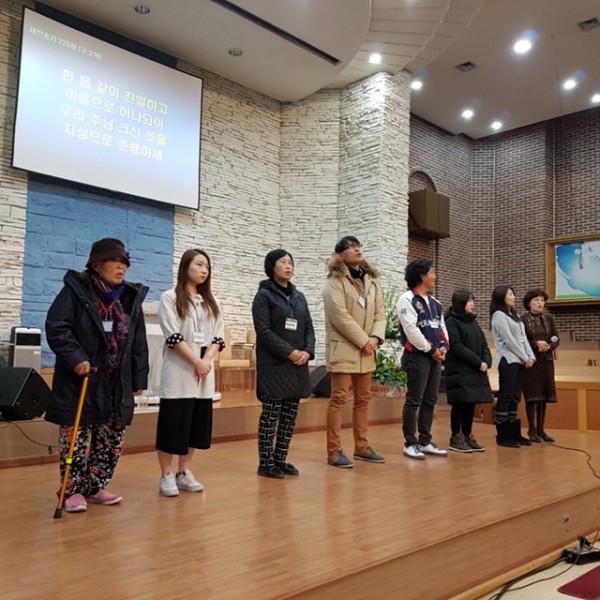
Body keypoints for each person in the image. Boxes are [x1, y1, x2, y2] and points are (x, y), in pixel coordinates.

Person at [45, 238, 149, 513]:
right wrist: (76, 358)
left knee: (111, 439)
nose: (121, 267)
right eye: (115, 261)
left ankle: (95, 486)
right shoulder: (75, 291)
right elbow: (57, 327)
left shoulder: (129, 298)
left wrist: (139, 377)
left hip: (116, 382)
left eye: (124, 262)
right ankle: (71, 491)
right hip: (82, 379)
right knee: (76, 440)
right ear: (96, 264)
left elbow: (138, 342)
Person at [156, 249, 225, 497]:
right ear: (185, 267)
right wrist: (196, 361)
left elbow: (218, 337)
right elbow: (173, 336)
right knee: (172, 423)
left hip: (203, 373)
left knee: (196, 424)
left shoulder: (210, 302)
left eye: (207, 266)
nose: (204, 270)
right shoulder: (169, 297)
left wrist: (205, 361)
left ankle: (183, 471)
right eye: (199, 265)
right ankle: (166, 474)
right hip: (179, 371)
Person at [322, 236, 386, 468]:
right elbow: (340, 317)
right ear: (341, 255)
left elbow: (380, 313)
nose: (357, 249)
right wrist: (364, 341)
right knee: (339, 398)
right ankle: (334, 450)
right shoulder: (334, 281)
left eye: (358, 245)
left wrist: (375, 338)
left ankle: (361, 446)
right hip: (344, 348)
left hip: (366, 350)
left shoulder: (371, 280)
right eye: (351, 247)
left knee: (363, 400)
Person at [252, 249, 315, 478]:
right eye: (283, 262)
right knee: (270, 416)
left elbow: (309, 327)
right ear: (272, 267)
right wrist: (289, 352)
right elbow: (263, 330)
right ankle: (265, 463)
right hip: (274, 365)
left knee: (289, 416)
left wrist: (307, 351)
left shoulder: (299, 297)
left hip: (297, 366)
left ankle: (280, 459)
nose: (288, 266)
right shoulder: (263, 296)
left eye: (290, 262)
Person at [396, 259, 449, 460]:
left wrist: (443, 347)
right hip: (416, 356)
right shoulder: (406, 299)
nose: (435, 276)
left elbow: (442, 328)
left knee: (430, 399)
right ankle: (410, 443)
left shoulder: (435, 303)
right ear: (421, 276)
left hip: (435, 357)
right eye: (432, 272)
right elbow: (411, 330)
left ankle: (425, 441)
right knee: (414, 400)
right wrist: (431, 349)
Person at [444, 289, 493, 453]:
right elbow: (457, 346)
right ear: (460, 303)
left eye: (473, 301)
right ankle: (456, 437)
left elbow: (484, 344)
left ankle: (467, 434)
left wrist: (487, 361)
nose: (472, 304)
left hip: (475, 370)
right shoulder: (451, 321)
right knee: (460, 404)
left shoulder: (473, 322)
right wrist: (478, 362)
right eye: (469, 301)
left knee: (471, 403)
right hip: (460, 370)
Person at [489, 285, 536, 447]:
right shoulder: (499, 316)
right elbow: (509, 341)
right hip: (508, 360)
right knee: (506, 396)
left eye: (513, 294)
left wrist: (531, 356)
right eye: (510, 294)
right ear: (501, 297)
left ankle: (514, 434)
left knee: (515, 396)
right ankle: (503, 436)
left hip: (520, 360)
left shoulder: (514, 315)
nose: (514, 297)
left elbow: (523, 339)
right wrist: (525, 357)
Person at [522, 289, 560, 442]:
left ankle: (541, 430)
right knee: (532, 396)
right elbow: (522, 340)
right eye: (536, 300)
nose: (540, 303)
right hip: (531, 361)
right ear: (528, 303)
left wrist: (549, 346)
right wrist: (536, 344)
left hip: (546, 360)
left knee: (543, 396)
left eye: (542, 300)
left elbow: (556, 337)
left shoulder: (548, 318)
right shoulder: (522, 319)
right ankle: (531, 430)